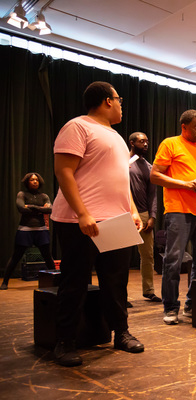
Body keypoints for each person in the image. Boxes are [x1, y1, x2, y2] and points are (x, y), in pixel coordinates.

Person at [51, 81, 145, 367]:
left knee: (116, 282)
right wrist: (82, 213)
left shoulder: (116, 137)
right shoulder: (77, 127)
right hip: (80, 221)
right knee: (75, 281)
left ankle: (121, 333)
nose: (121, 105)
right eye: (119, 100)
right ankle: (65, 341)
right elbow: (63, 171)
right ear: (107, 101)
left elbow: (120, 178)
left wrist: (133, 209)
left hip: (116, 220)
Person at [150, 110, 196, 325]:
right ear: (183, 127)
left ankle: (192, 303)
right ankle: (170, 307)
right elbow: (155, 175)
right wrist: (185, 184)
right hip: (178, 210)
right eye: (195, 127)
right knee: (173, 260)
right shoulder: (170, 144)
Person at [1, 173, 55, 290]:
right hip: (25, 230)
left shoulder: (44, 196)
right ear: (27, 182)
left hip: (41, 230)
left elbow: (50, 209)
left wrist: (31, 207)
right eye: (32, 180)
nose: (35, 182)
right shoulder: (22, 194)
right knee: (16, 256)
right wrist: (41, 209)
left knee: (48, 257)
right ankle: (5, 282)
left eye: (36, 180)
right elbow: (21, 208)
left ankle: (56, 282)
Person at [129, 132, 161, 303]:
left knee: (147, 255)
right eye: (141, 141)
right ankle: (121, 294)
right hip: (124, 213)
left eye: (147, 141)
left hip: (143, 214)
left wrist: (152, 216)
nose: (145, 144)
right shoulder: (123, 163)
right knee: (123, 257)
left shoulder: (149, 167)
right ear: (132, 142)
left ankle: (148, 290)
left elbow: (153, 195)